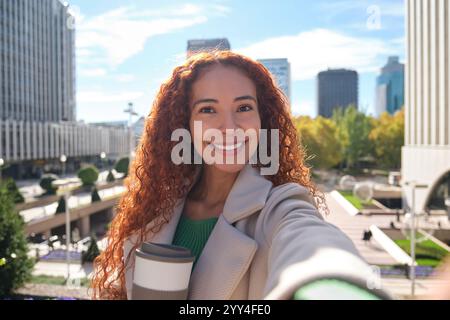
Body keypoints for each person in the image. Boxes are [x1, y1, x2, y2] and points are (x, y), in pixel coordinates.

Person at [90, 50, 392, 300]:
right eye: (208, 110)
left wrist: (335, 285)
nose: (229, 127)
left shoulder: (281, 205)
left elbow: (311, 242)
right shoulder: (159, 205)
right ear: (185, 124)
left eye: (244, 107)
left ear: (263, 120)